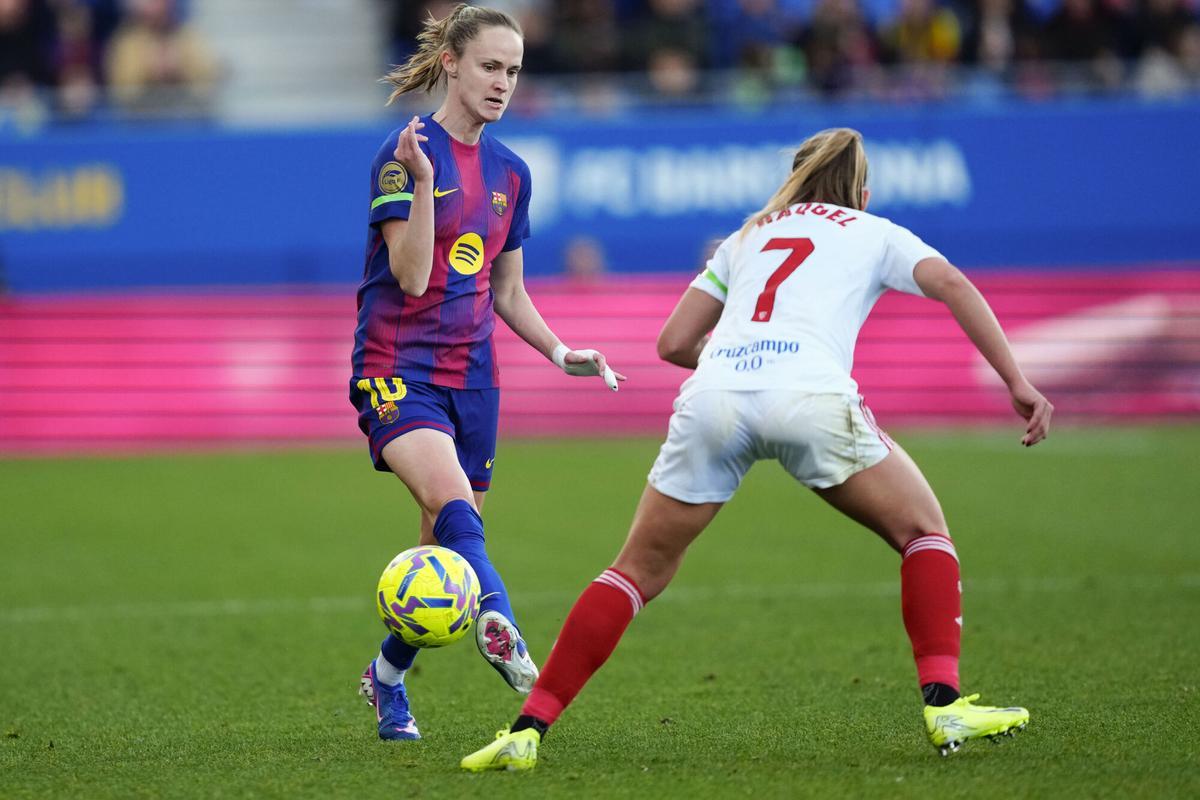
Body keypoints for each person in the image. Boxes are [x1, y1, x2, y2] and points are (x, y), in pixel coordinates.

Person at [461, 127, 1053, 770]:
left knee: (634, 571)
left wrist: (739, 365)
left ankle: (527, 730)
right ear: (862, 192)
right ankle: (944, 704)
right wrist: (1017, 383)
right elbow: (954, 285)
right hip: (811, 397)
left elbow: (672, 343)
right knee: (923, 533)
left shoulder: (748, 235)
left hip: (715, 396)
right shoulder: (873, 230)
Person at [351, 3, 624, 742]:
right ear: (452, 63)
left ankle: (386, 678)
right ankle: (501, 622)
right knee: (459, 518)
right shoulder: (404, 154)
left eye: (514, 70)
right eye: (490, 66)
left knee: (445, 551)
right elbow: (411, 278)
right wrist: (422, 183)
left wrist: (561, 352)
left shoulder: (512, 173)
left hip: (474, 378)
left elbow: (508, 291)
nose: (503, 83)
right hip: (396, 368)